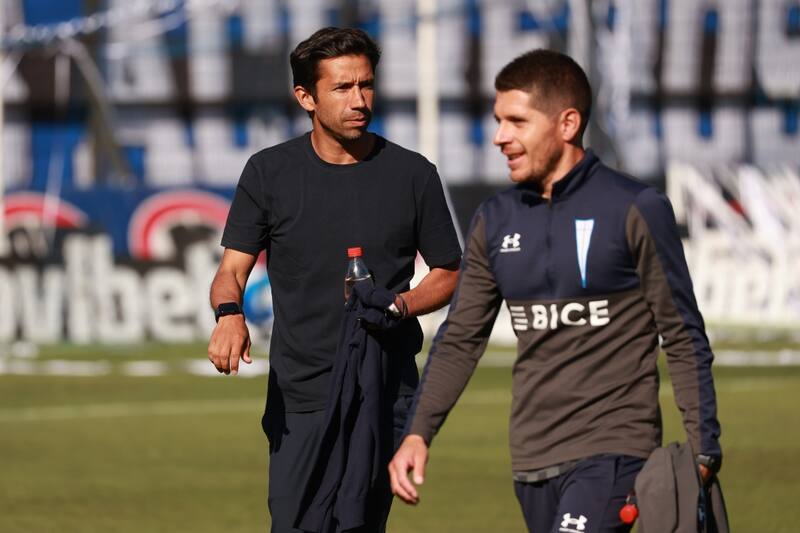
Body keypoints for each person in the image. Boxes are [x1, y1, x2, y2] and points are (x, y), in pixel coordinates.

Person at [389, 49, 722, 532]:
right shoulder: (495, 218)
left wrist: (704, 448)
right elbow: (460, 338)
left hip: (615, 451)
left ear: (567, 124)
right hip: (531, 461)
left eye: (517, 121)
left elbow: (683, 333)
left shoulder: (635, 208)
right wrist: (417, 434)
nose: (500, 136)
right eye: (498, 121)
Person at [207, 27, 462, 532]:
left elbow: (450, 272)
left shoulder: (413, 174)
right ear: (306, 97)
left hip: (384, 392)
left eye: (366, 85)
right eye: (343, 88)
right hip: (301, 395)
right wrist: (229, 316)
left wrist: (402, 305)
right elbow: (231, 271)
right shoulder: (268, 173)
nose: (359, 100)